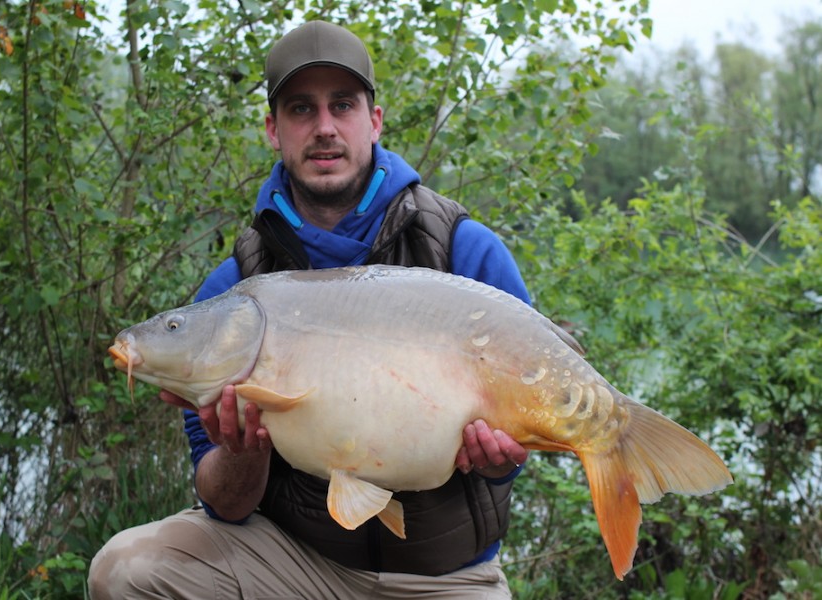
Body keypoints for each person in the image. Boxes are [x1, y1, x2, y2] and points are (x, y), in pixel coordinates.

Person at [89, 20, 531, 599]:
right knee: (124, 571)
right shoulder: (235, 292)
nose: (324, 127)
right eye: (301, 109)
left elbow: (520, 447)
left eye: (342, 105)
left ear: (374, 120)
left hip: (449, 580)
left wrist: (500, 460)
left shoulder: (462, 252)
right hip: (293, 564)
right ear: (274, 130)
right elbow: (224, 504)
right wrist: (242, 453)